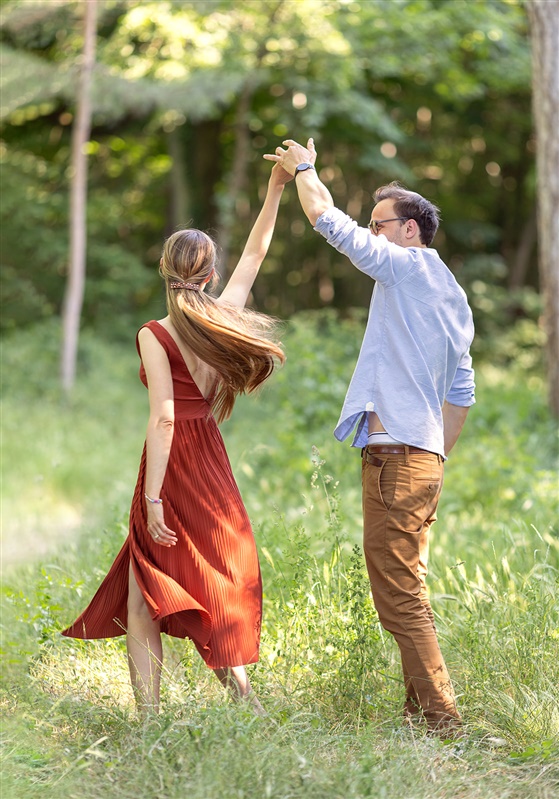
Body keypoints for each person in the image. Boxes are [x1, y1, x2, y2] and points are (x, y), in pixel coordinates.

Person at [62, 162, 293, 716]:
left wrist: (152, 497)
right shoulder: (225, 319)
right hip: (209, 460)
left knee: (147, 588)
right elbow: (256, 253)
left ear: (164, 272)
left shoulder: (155, 334)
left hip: (170, 466)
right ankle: (244, 703)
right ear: (210, 275)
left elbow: (164, 418)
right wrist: (276, 188)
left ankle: (151, 719)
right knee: (202, 577)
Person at [264, 138, 475, 735]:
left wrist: (303, 169)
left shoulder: (407, 268)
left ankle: (442, 720)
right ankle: (418, 714)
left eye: (380, 224)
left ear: (410, 231)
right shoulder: (455, 298)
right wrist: (435, 455)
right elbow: (461, 393)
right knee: (404, 585)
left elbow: (328, 222)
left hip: (396, 458)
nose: (372, 231)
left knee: (399, 595)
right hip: (422, 456)